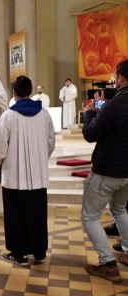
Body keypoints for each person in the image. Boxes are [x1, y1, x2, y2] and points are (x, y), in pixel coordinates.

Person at [0, 75, 55, 266]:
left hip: (14, 177)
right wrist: (41, 159)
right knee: (37, 214)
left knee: (15, 215)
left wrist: (0, 161)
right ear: (31, 91)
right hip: (38, 178)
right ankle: (39, 251)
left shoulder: (9, 116)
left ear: (14, 93)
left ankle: (19, 254)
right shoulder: (44, 114)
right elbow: (51, 142)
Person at [81, 59, 128, 283]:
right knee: (120, 210)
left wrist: (90, 112)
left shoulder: (114, 106)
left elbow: (91, 134)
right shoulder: (114, 105)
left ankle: (108, 263)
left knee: (90, 216)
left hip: (108, 171)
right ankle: (127, 252)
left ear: (120, 78)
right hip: (127, 174)